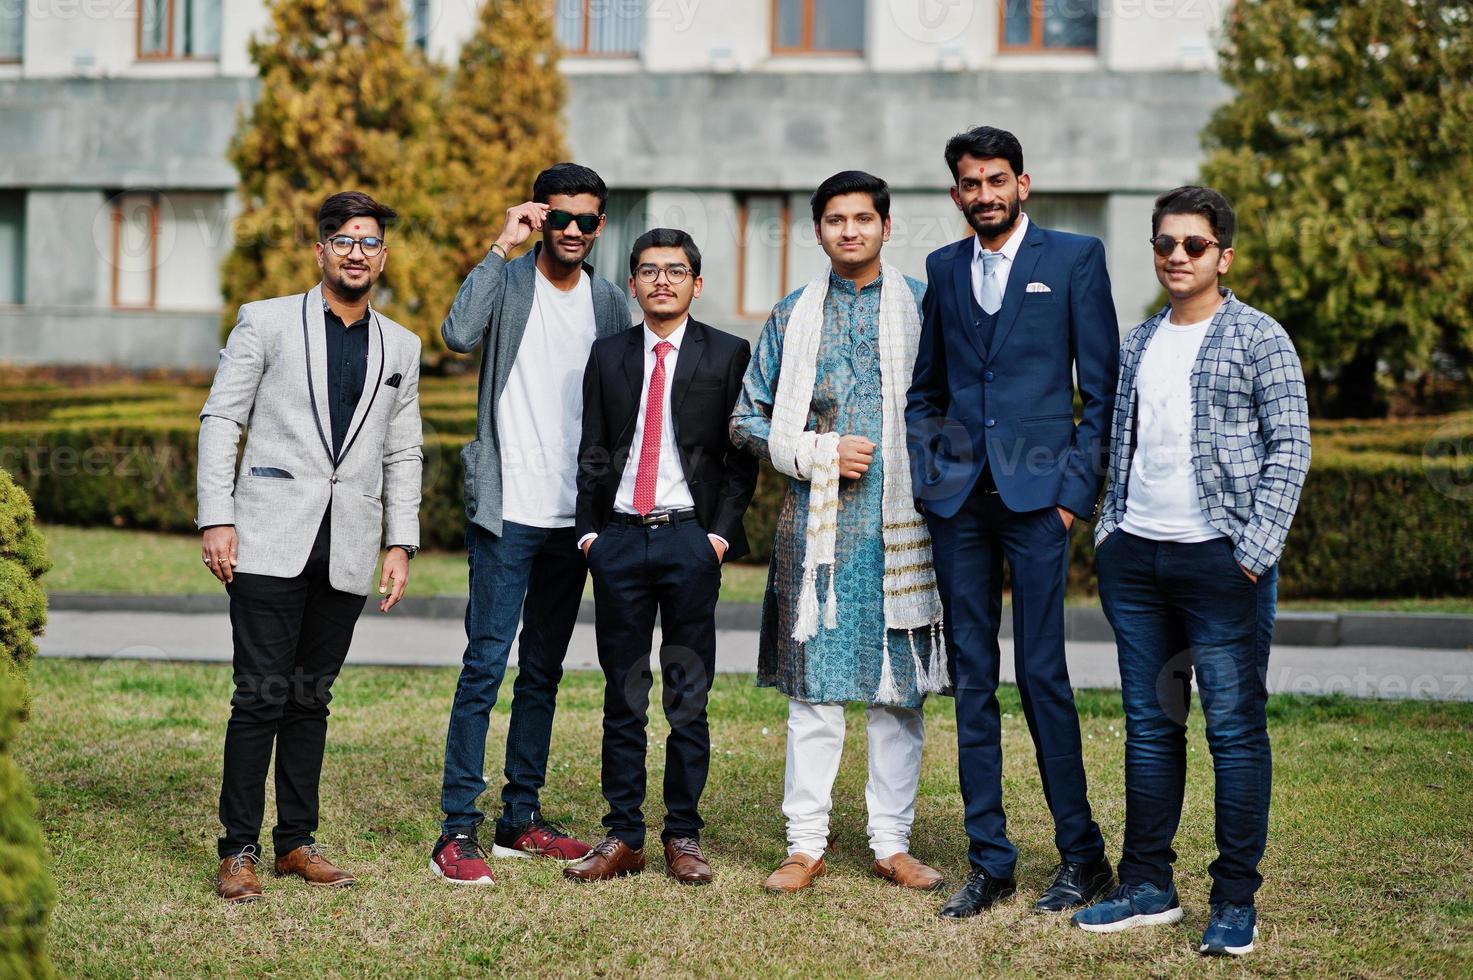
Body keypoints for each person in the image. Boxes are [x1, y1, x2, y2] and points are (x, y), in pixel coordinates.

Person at [1072, 186, 1310, 957]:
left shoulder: (1259, 336)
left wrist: (1250, 553)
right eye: (1165, 243)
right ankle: (1148, 885)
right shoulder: (1138, 342)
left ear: (1223, 256)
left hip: (1222, 562)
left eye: (1194, 245)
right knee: (1151, 726)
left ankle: (1234, 900)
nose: (1177, 256)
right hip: (1136, 559)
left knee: (1233, 732)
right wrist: (1109, 533)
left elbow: (1291, 448)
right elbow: (1119, 442)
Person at [905, 126, 1120, 919]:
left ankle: (1081, 857)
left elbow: (1100, 392)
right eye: (970, 183)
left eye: (997, 180)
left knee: (1039, 676)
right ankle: (989, 861)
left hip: (1038, 505)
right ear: (956, 192)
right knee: (970, 682)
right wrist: (932, 475)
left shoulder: (1073, 258)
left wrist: (1072, 495)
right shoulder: (942, 267)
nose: (984, 194)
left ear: (1022, 184)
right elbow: (927, 389)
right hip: (959, 505)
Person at [197, 190, 424, 902]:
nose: (356, 252)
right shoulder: (264, 322)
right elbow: (221, 418)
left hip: (349, 546)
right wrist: (216, 517)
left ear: (382, 257)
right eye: (343, 240)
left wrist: (401, 541)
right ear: (321, 250)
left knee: (310, 699)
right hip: (267, 536)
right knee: (260, 696)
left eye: (369, 242)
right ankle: (237, 851)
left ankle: (295, 841)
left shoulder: (402, 345)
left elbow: (403, 451)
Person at [731, 171, 948, 896]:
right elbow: (745, 418)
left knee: (898, 695)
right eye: (834, 220)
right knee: (815, 696)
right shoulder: (793, 315)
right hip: (816, 534)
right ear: (818, 231)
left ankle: (891, 843)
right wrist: (817, 451)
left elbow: (954, 405)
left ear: (886, 227)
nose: (848, 230)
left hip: (904, 526)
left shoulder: (924, 307)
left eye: (862, 218)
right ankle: (804, 845)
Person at [430, 163, 632, 885]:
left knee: (542, 671)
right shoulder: (511, 281)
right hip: (506, 508)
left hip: (571, 516)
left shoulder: (610, 303)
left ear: (599, 225)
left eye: (586, 220)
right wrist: (500, 245)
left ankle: (520, 817)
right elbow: (456, 334)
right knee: (485, 664)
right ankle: (457, 829)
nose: (572, 231)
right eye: (559, 218)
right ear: (540, 218)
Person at [563, 229, 757, 885]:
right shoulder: (609, 354)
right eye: (648, 271)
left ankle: (682, 835)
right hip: (617, 540)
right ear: (634, 284)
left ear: (696, 284)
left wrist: (718, 536)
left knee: (686, 693)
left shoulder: (728, 353)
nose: (662, 281)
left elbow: (738, 458)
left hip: (686, 540)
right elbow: (590, 444)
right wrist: (590, 533)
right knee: (623, 696)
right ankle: (623, 836)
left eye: (675, 271)